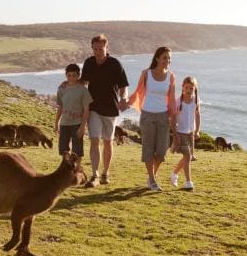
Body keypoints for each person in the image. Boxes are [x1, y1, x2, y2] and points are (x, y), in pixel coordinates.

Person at [80, 34, 130, 187]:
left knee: (107, 141)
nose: (97, 52)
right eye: (95, 49)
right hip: (93, 107)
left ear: (107, 48)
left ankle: (105, 173)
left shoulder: (115, 64)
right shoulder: (89, 63)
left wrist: (124, 98)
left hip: (110, 108)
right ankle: (94, 175)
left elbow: (124, 85)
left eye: (100, 49)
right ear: (92, 48)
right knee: (94, 140)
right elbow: (83, 82)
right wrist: (68, 84)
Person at [127, 46, 176, 191]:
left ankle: (151, 176)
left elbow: (172, 99)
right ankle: (153, 180)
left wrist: (173, 117)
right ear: (157, 58)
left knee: (161, 152)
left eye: (169, 59)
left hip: (163, 116)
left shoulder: (171, 76)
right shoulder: (146, 74)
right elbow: (138, 92)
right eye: (164, 58)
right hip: (147, 115)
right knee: (148, 149)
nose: (167, 61)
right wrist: (126, 102)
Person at [55, 63, 92, 159]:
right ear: (66, 75)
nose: (71, 78)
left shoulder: (83, 90)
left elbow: (86, 110)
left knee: (77, 153)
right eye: (69, 75)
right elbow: (60, 107)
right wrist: (56, 124)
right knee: (64, 151)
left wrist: (83, 127)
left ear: (78, 76)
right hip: (64, 124)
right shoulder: (61, 89)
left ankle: (76, 172)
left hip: (77, 124)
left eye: (74, 75)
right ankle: (67, 172)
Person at [170, 76, 201, 190]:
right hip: (180, 132)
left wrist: (197, 130)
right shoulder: (178, 101)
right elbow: (172, 118)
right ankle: (188, 182)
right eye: (186, 88)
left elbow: (197, 115)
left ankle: (174, 174)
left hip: (190, 133)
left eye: (191, 88)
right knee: (187, 156)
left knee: (188, 157)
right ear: (182, 88)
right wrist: (175, 134)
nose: (189, 90)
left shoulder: (196, 100)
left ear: (194, 89)